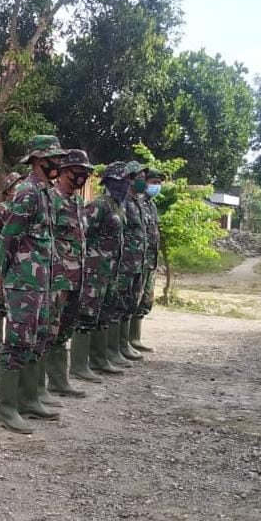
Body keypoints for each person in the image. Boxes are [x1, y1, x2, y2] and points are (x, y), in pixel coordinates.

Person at [0, 136, 66, 434]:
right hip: (23, 282)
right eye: (53, 159)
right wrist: (1, 276)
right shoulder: (27, 193)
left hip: (41, 281)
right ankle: (6, 409)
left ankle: (29, 399)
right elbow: (7, 237)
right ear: (38, 160)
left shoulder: (45, 192)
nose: (58, 165)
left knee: (38, 339)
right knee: (17, 343)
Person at [70, 161, 129, 380]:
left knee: (105, 314)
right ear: (110, 182)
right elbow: (83, 235)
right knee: (87, 315)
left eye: (126, 181)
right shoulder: (99, 205)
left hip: (110, 271)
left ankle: (99, 359)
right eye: (121, 181)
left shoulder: (116, 206)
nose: (125, 185)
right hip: (94, 271)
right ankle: (78, 365)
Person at [46, 149, 93, 399]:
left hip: (77, 277)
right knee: (48, 330)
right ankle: (36, 388)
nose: (83, 177)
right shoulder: (51, 199)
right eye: (79, 172)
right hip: (57, 277)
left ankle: (58, 381)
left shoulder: (77, 202)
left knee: (64, 330)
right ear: (64, 171)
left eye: (86, 173)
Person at [112, 160, 149, 364]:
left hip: (137, 262)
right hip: (123, 262)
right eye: (139, 178)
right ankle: (114, 347)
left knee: (130, 303)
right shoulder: (123, 201)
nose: (143, 182)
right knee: (118, 304)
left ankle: (124, 343)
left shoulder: (138, 202)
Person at [0, 172, 24, 354]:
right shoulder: (1, 209)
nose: (20, 187)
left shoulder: (26, 208)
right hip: (2, 261)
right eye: (16, 184)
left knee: (19, 302)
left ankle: (13, 341)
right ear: (8, 190)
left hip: (23, 263)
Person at [130, 168, 163, 352]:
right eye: (153, 182)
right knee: (133, 299)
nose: (156, 186)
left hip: (150, 260)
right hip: (137, 260)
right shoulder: (138, 203)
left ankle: (135, 338)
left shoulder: (151, 205)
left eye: (159, 183)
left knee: (145, 299)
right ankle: (127, 340)